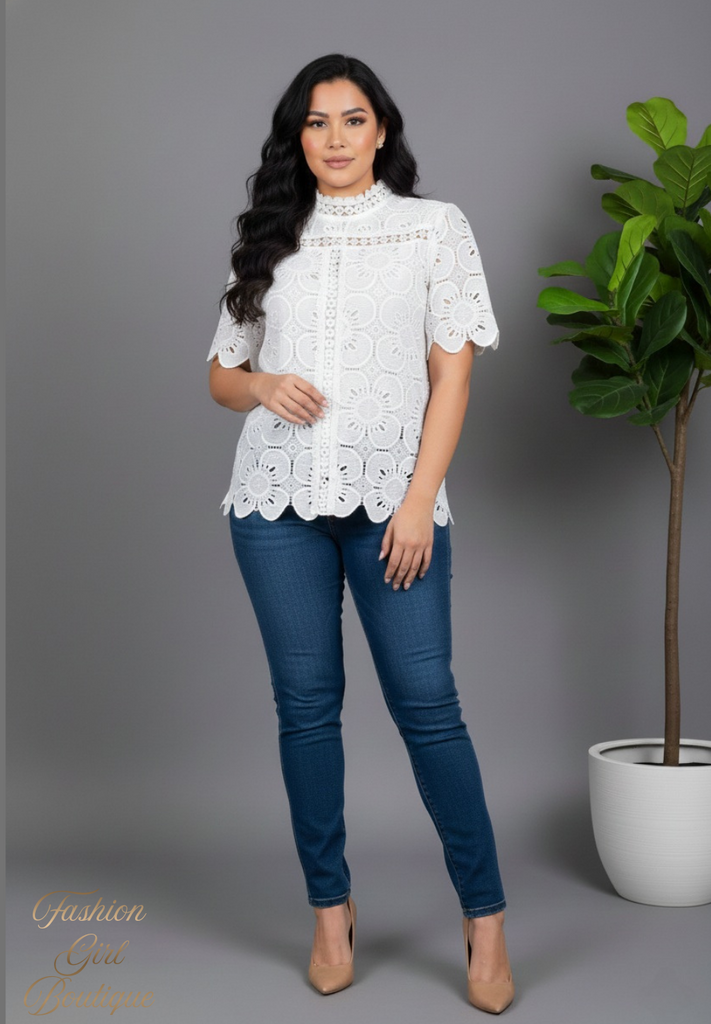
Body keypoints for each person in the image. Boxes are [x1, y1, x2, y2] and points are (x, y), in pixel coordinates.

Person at [206, 53, 515, 1013]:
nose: (334, 138)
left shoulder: (433, 228)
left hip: (393, 505)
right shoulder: (269, 237)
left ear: (381, 130)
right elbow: (221, 375)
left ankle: (485, 918)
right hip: (275, 504)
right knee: (305, 710)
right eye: (315, 122)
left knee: (428, 707)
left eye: (351, 119)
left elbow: (452, 375)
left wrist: (418, 502)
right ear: (296, 139)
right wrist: (261, 385)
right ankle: (329, 911)